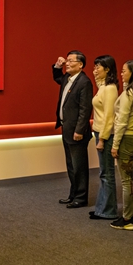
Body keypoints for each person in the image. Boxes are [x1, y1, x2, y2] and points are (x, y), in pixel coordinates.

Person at [109, 60, 133, 231]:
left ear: (132, 73)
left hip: (127, 139)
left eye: (124, 71)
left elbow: (122, 121)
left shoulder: (129, 93)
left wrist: (115, 144)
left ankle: (127, 218)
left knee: (127, 181)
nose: (121, 73)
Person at [53, 51, 94, 209]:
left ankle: (81, 197)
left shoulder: (84, 82)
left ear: (80, 65)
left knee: (79, 167)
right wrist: (58, 65)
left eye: (71, 61)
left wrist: (79, 130)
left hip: (77, 131)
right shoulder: (67, 79)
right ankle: (73, 194)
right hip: (66, 128)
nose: (67, 64)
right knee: (71, 165)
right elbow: (57, 77)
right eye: (67, 61)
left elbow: (85, 109)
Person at [90, 55, 119, 220]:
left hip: (105, 134)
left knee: (107, 173)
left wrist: (102, 139)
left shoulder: (110, 89)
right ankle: (101, 208)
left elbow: (109, 116)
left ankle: (108, 210)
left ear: (107, 69)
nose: (95, 70)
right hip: (99, 132)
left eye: (98, 67)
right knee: (103, 172)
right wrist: (98, 78)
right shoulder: (103, 87)